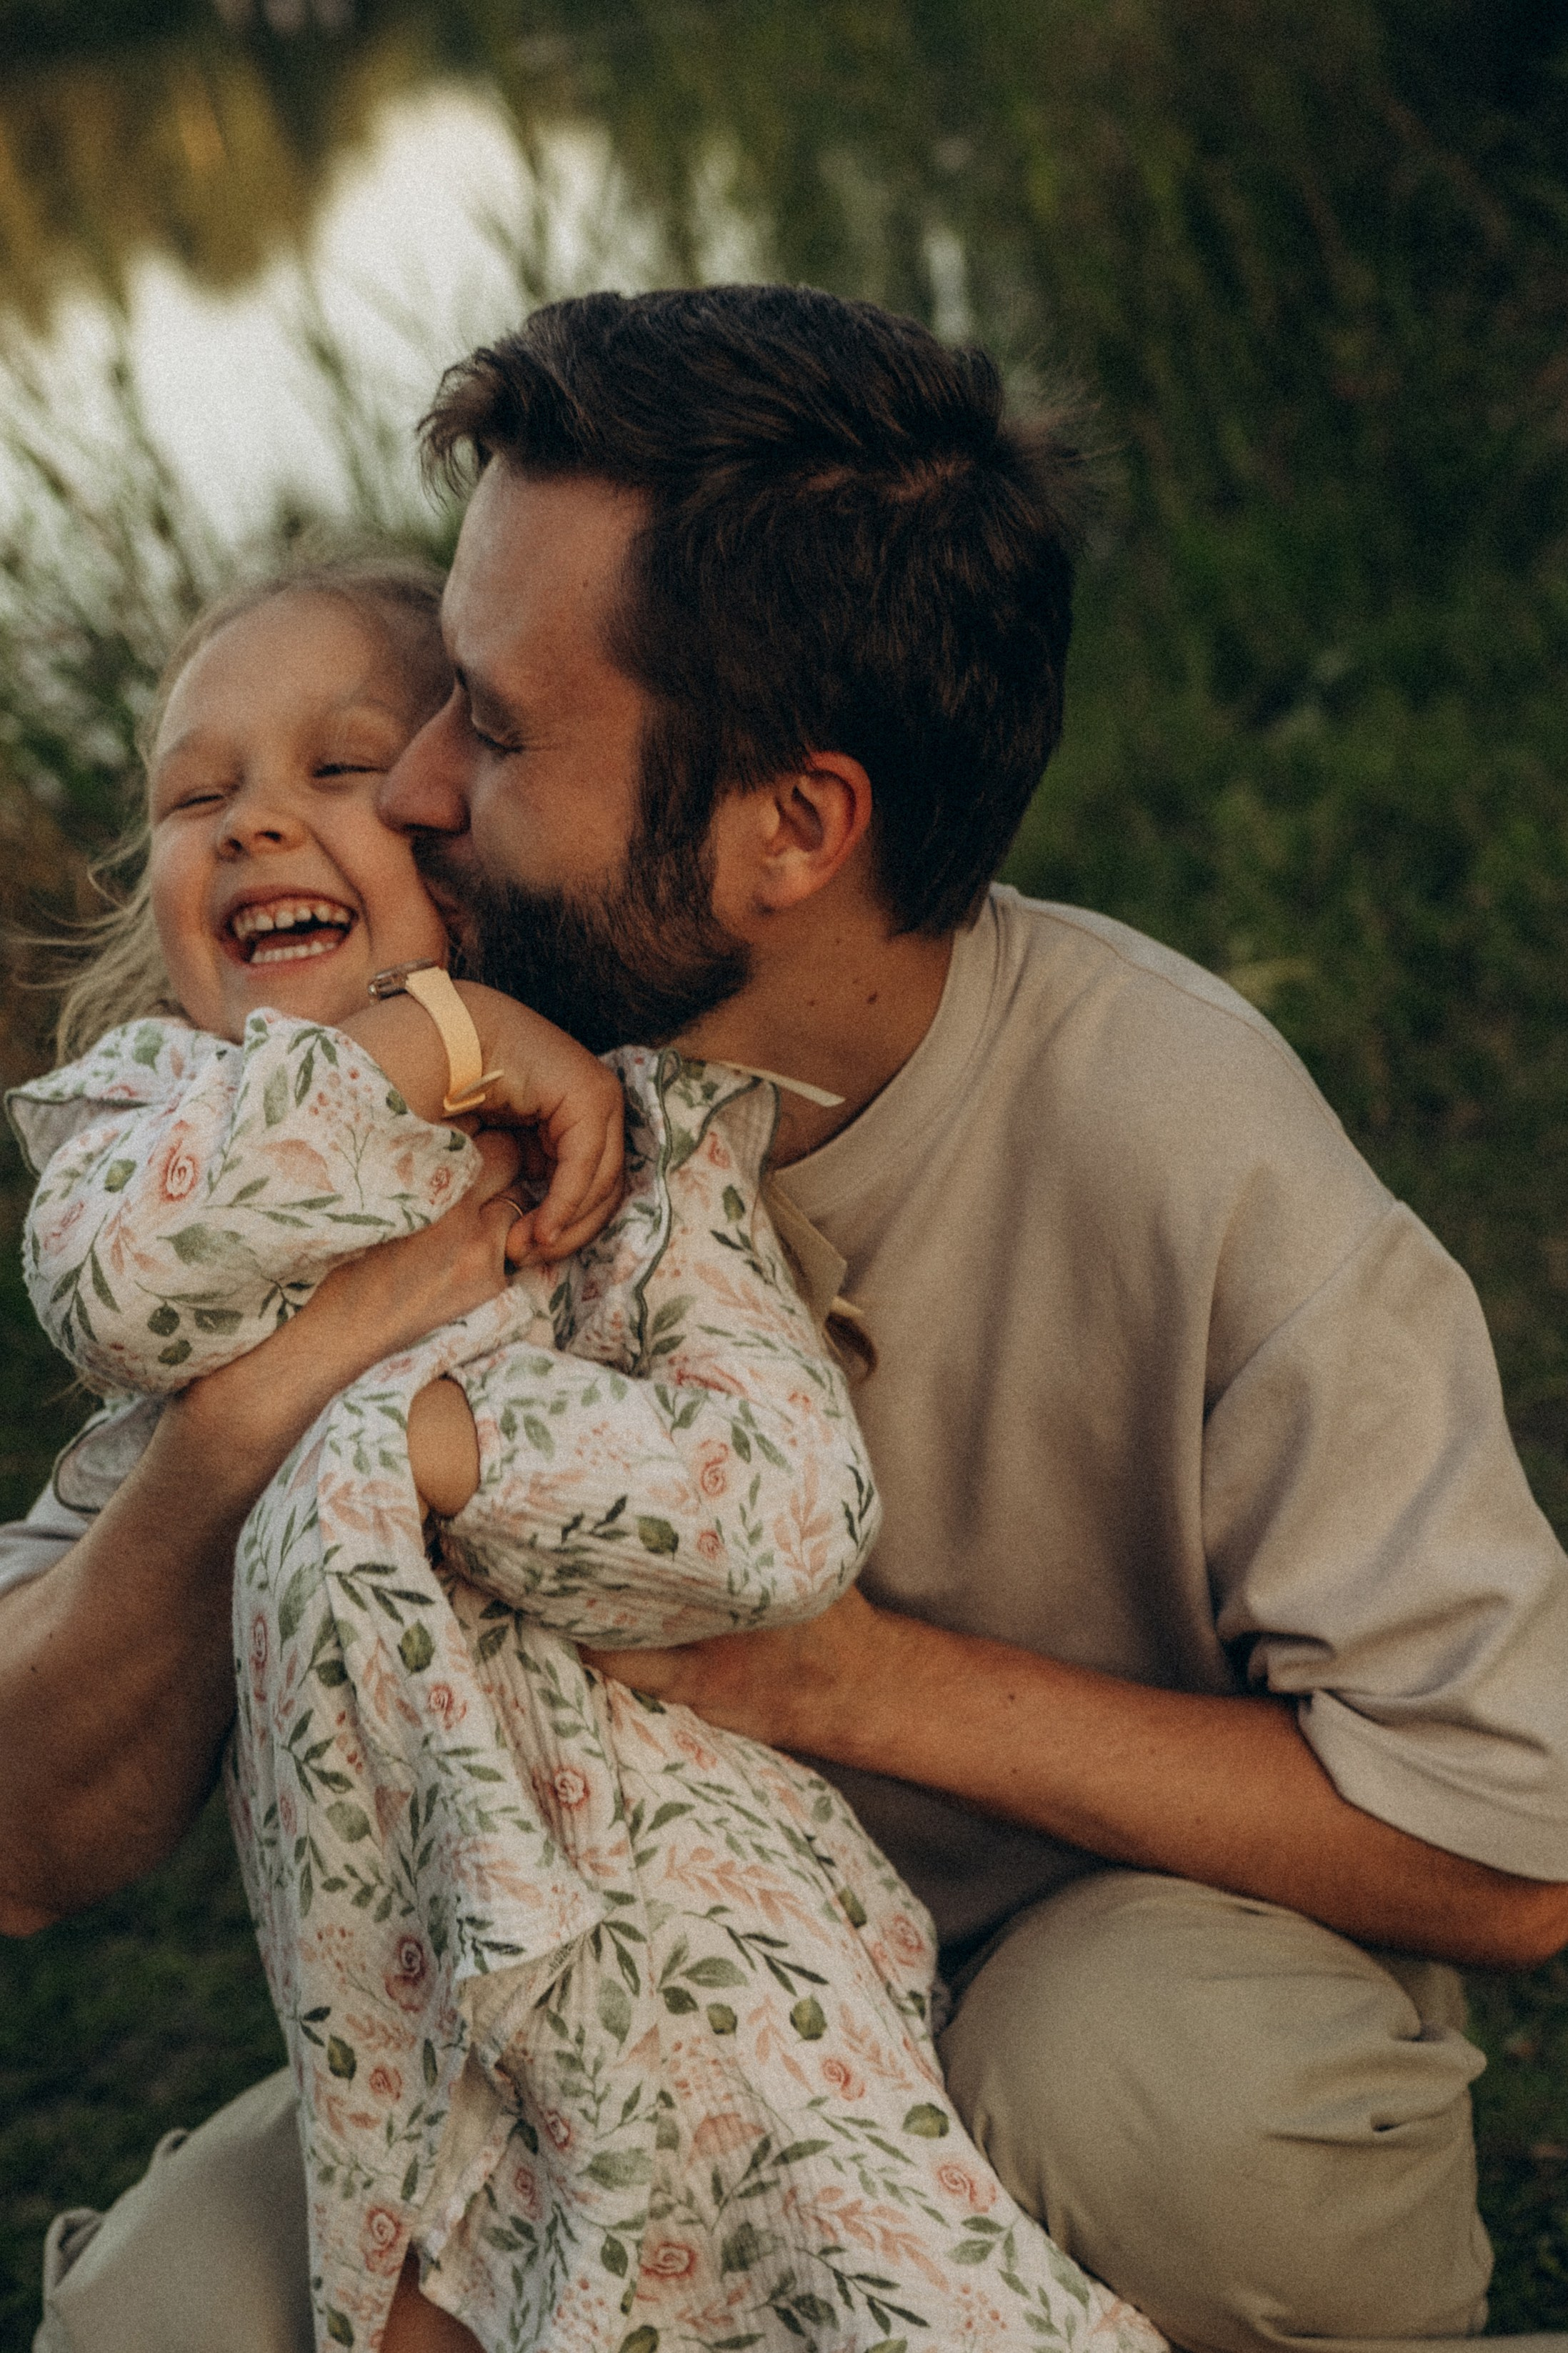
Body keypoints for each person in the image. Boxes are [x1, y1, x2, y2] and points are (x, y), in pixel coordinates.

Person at [7, 284, 1568, 2353]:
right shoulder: (355, 1134)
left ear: (791, 824)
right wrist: (258, 1421)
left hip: (1105, 1973)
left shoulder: (1175, 1122)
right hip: (585, 1996)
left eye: (491, 726)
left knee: (1133, 2096)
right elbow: (23, 1833)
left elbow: (1514, 1842)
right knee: (155, 2324)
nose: (407, 798)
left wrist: (828, 1676)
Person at [11, 551, 1163, 2353]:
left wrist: (442, 1440)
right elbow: (130, 1286)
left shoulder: (634, 1141)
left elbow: (790, 1505)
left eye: (337, 770)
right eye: (193, 794)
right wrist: (431, 1041)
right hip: (416, 2035)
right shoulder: (136, 1132)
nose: (255, 827)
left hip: (731, 1969)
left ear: (458, 836)